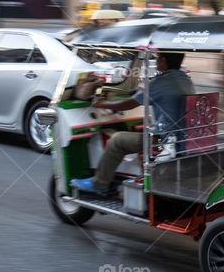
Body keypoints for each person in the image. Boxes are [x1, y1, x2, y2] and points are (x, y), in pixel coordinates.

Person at [71, 52, 195, 194]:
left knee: (117, 140)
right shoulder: (185, 79)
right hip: (184, 138)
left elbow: (128, 105)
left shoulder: (160, 82)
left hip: (163, 140)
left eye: (158, 58)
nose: (157, 61)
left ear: (164, 60)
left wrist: (102, 104)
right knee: (138, 131)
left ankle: (100, 183)